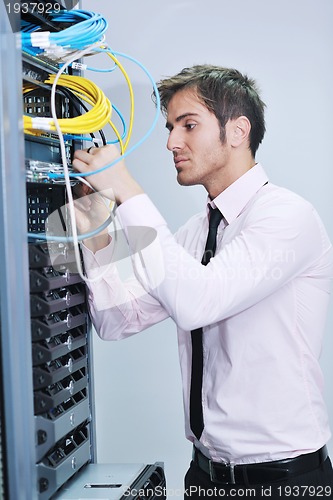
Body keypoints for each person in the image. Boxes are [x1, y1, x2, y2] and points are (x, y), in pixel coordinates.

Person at [72, 65, 333, 498]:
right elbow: (117, 319)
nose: (172, 142)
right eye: (171, 128)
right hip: (204, 479)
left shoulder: (287, 217)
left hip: (286, 484)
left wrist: (126, 187)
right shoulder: (195, 232)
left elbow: (197, 302)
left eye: (188, 125)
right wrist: (92, 221)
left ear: (237, 131)